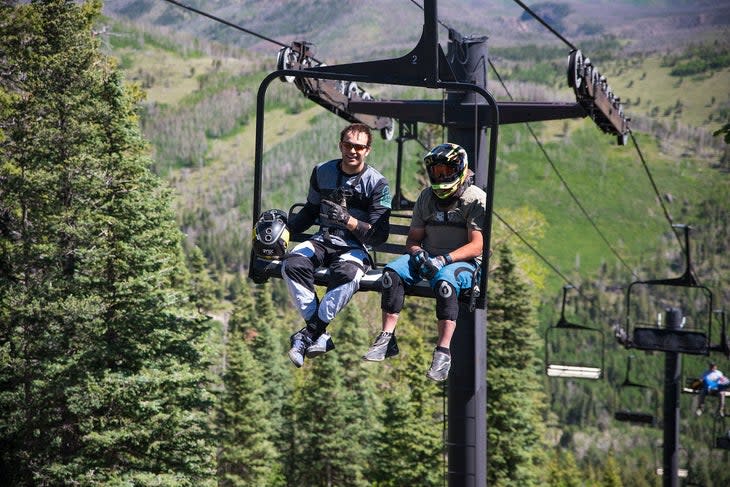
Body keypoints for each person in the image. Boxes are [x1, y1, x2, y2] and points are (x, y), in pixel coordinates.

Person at [363, 143, 486, 381]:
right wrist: (418, 253)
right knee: (391, 274)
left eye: (446, 172)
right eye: (436, 172)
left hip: (464, 264)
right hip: (430, 258)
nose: (441, 177)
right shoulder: (427, 198)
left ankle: (443, 352)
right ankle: (387, 338)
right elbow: (413, 239)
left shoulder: (475, 199)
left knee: (445, 282)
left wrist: (444, 259)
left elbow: (477, 245)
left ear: (459, 169)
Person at [282, 123, 391, 368]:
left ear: (368, 150)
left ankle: (309, 334)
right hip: (324, 240)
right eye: (348, 145)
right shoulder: (322, 172)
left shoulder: (377, 184)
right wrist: (285, 232)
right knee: (292, 263)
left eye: (359, 147)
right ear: (340, 145)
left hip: (355, 248)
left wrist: (348, 220)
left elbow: (378, 235)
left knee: (347, 274)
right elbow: (310, 211)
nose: (353, 151)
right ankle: (319, 334)